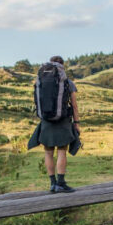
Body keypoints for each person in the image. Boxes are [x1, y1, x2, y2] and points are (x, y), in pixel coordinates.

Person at [27, 56, 82, 193]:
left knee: (48, 153)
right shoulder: (68, 83)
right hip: (62, 120)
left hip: (46, 121)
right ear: (62, 67)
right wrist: (76, 123)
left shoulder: (40, 81)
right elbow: (74, 106)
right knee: (62, 152)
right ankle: (61, 183)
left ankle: (53, 184)